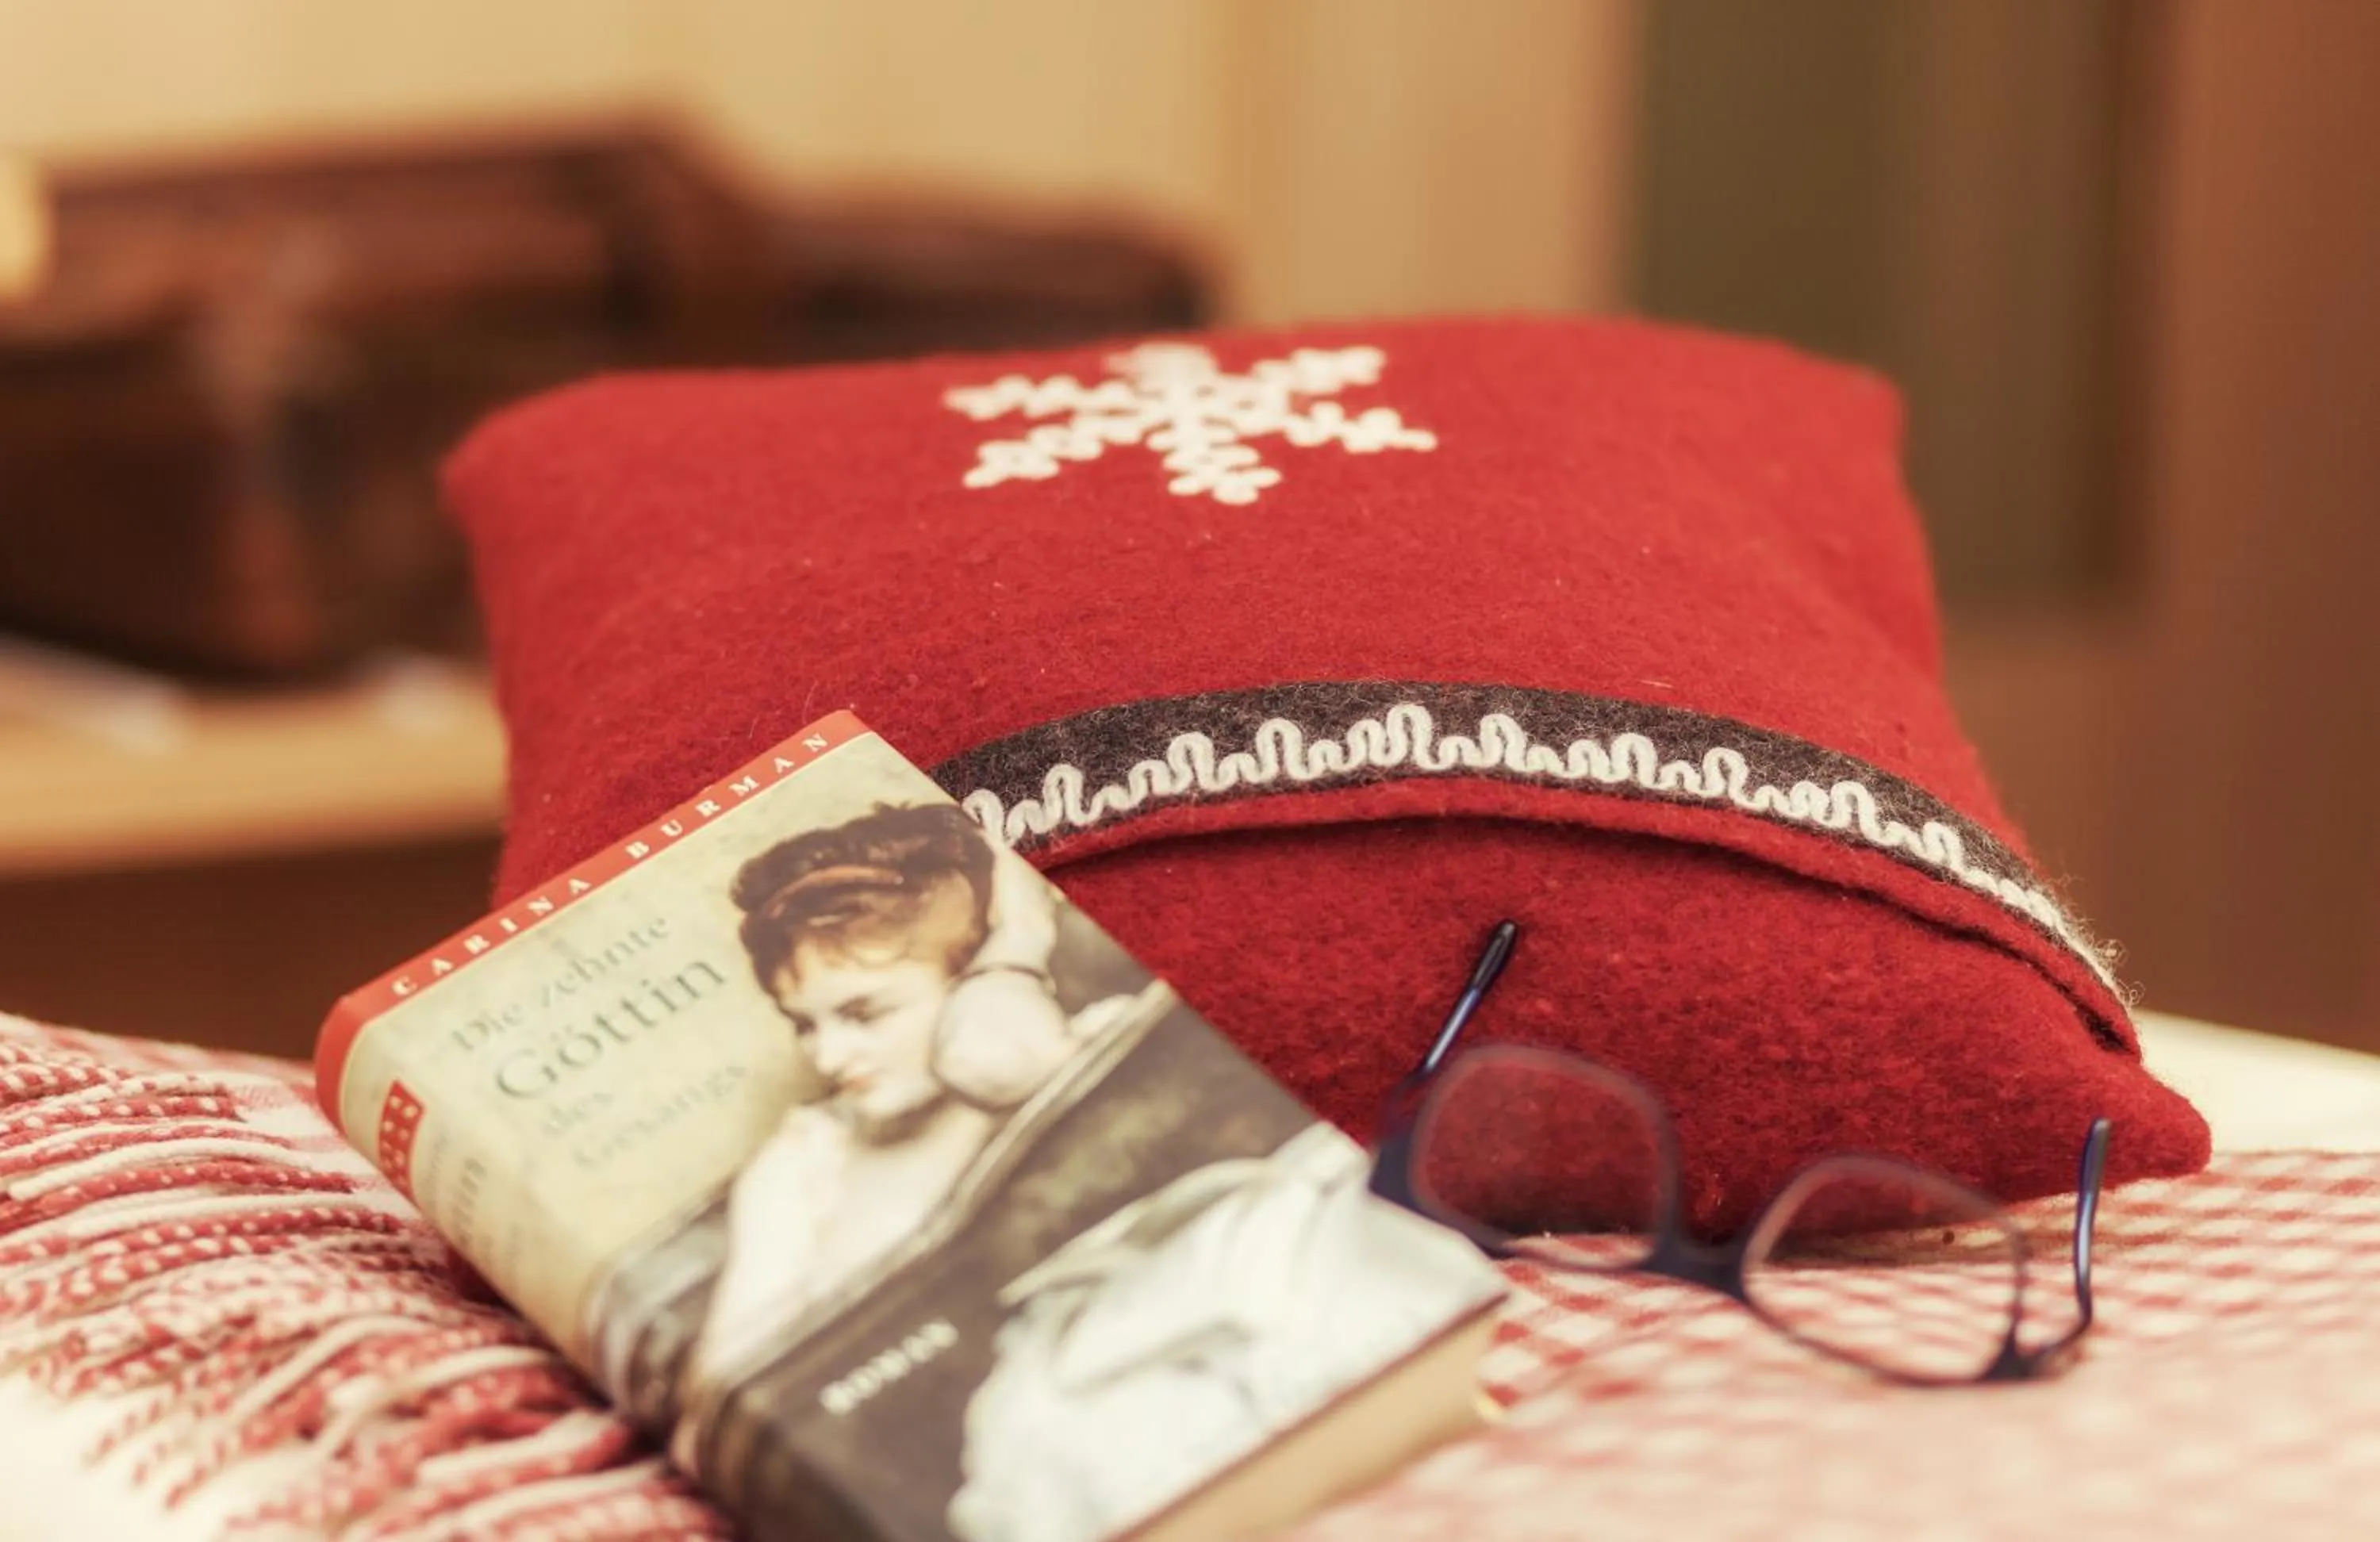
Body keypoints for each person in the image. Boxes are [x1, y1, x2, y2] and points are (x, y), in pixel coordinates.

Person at [687, 801, 1130, 1392]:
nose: (829, 1058)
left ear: (978, 973)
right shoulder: (806, 1161)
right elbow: (722, 1392)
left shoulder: (1072, 1045)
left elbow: (990, 1061)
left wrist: (1020, 937)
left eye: (863, 1013)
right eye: (806, 1025)